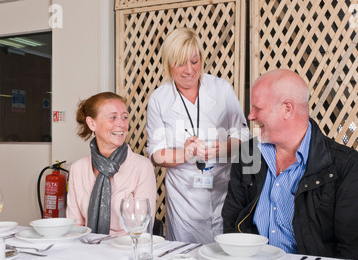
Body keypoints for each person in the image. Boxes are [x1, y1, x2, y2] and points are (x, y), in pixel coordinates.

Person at [221, 69, 358, 260]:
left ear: (287, 109)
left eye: (258, 108)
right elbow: (232, 223)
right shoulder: (248, 154)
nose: (251, 116)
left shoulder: (346, 165)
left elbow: (355, 250)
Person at [146, 27, 250, 243]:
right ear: (168, 64)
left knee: (225, 256)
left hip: (225, 191)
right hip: (184, 200)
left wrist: (221, 148)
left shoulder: (221, 88)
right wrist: (184, 154)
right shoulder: (159, 99)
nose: (189, 70)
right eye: (180, 63)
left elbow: (243, 134)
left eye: (194, 61)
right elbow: (156, 154)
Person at [67, 92, 156, 235]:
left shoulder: (141, 167)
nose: (121, 124)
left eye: (124, 117)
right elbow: (75, 226)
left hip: (126, 251)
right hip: (87, 250)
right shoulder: (78, 169)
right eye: (113, 118)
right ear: (92, 123)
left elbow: (142, 229)